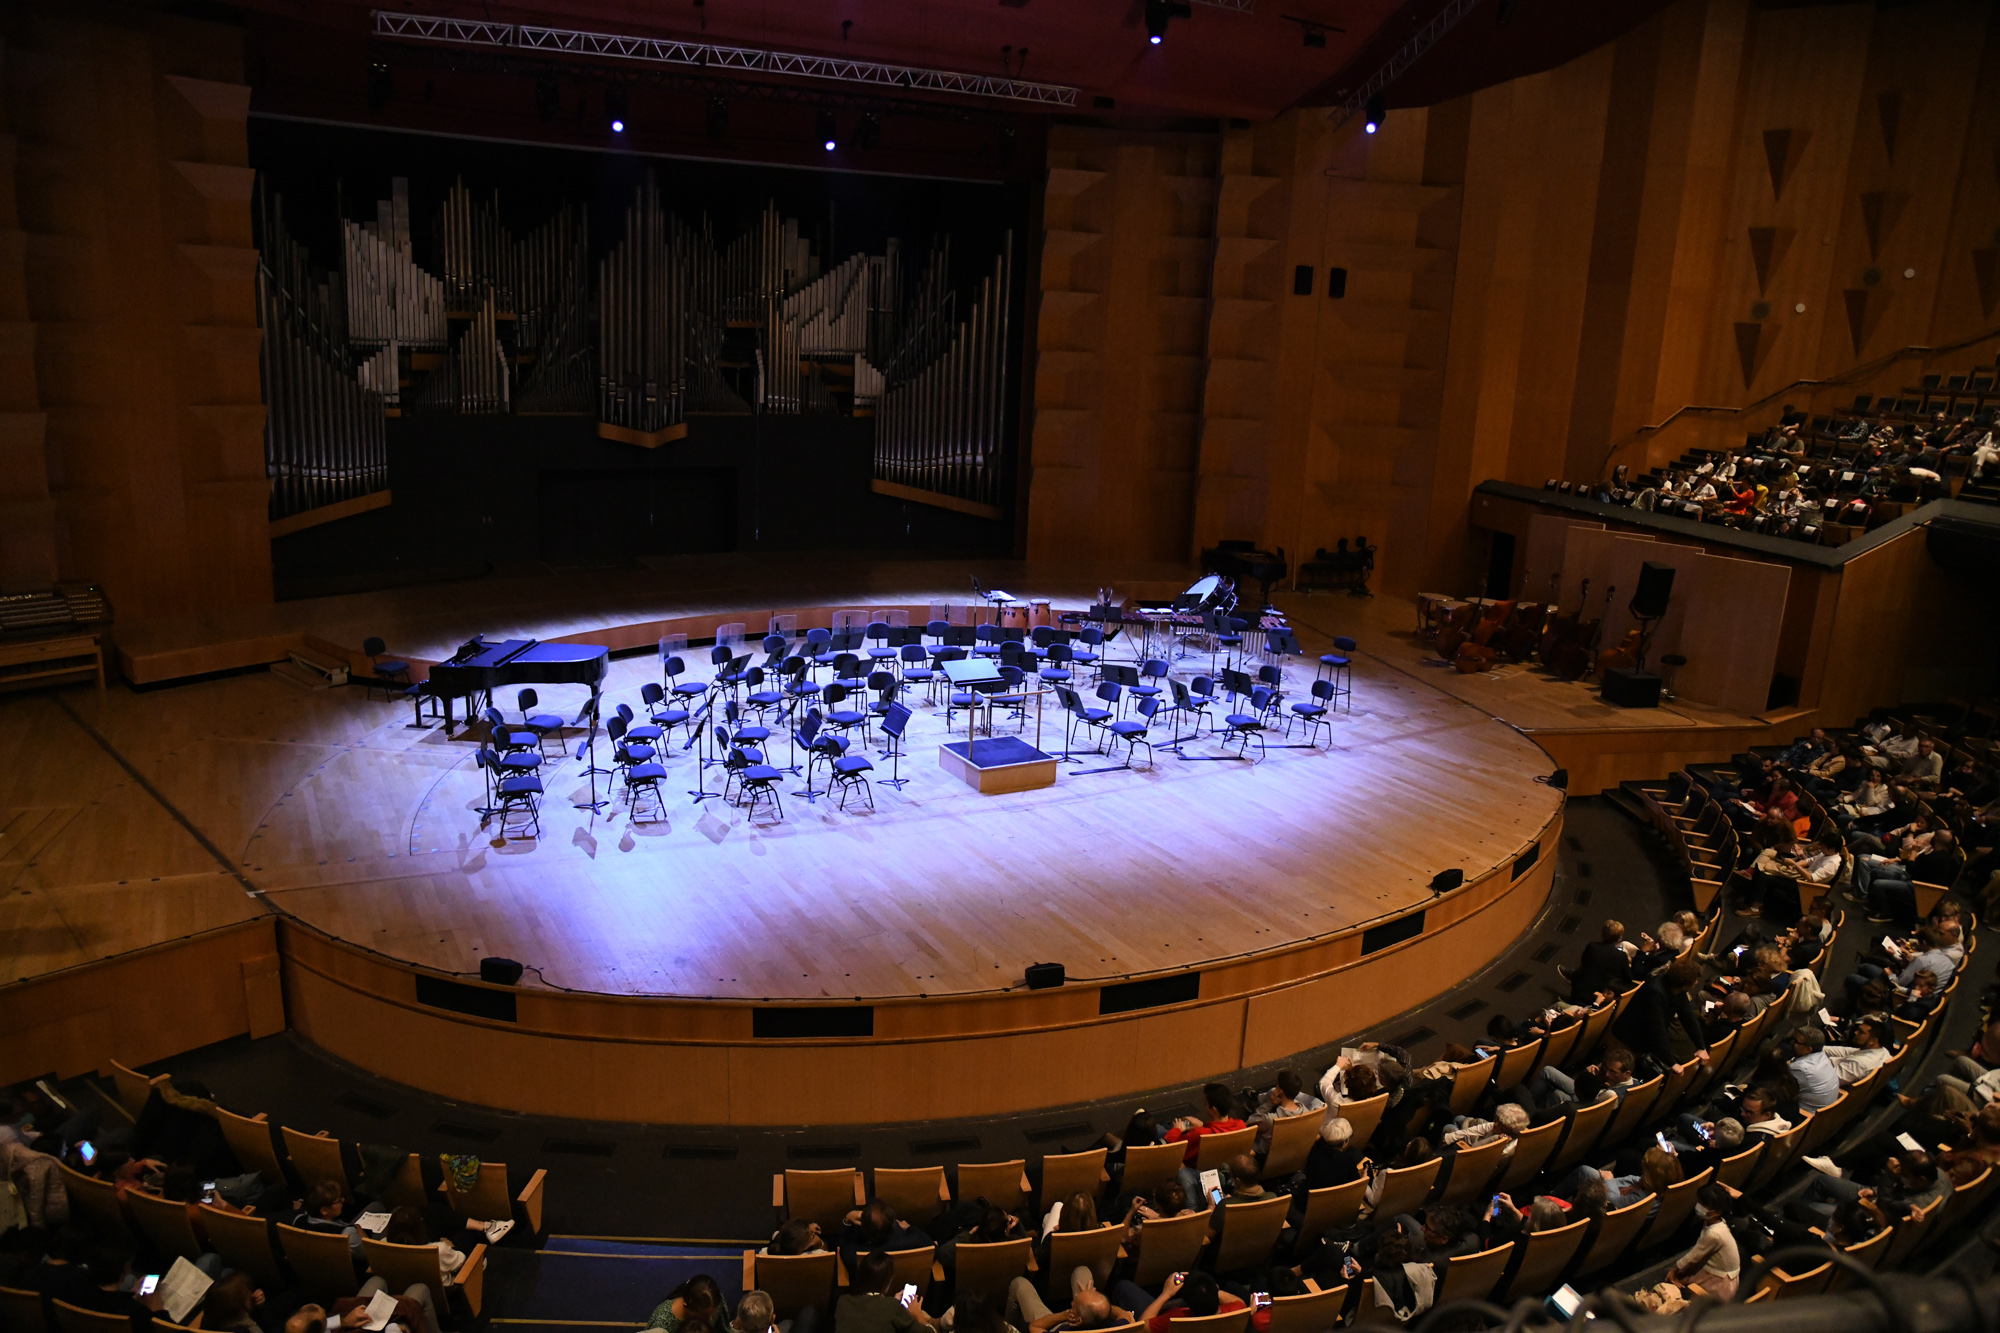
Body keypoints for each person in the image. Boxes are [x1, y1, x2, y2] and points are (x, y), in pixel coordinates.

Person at [1004, 1259, 1128, 1332]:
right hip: (1094, 1318)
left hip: (1057, 1325)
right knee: (1082, 1271)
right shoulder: (1118, 1326)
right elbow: (1124, 1314)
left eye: (1074, 1302)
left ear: (1076, 1319)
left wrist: (1064, 1315)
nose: (1072, 1301)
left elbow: (1034, 1327)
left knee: (1019, 1284)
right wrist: (1101, 1308)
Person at [1667, 1185, 1740, 1301]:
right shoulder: (1717, 1222)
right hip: (1715, 1269)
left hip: (1720, 1281)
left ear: (1716, 1212)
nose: (1698, 1206)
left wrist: (1673, 1269)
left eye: (1703, 1204)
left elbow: (1694, 1255)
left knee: (1675, 1286)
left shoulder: (1714, 1234)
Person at [77, 1245, 164, 1333]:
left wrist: (131, 1293)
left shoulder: (82, 1292)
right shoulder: (135, 1311)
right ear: (126, 1267)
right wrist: (157, 1311)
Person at [1558, 921, 1632, 1003]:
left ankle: (1572, 976)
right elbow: (1628, 978)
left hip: (1580, 992)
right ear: (1619, 937)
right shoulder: (1621, 956)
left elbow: (1584, 962)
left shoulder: (1592, 946)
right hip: (1602, 997)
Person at [649, 1275, 734, 1333]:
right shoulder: (662, 1322)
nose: (710, 1319)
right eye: (703, 1315)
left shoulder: (714, 1302)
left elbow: (724, 1330)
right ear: (686, 1306)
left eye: (712, 1313)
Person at [1787, 1027, 1840, 1113]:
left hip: (1804, 1115)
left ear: (1809, 1049)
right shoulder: (1823, 1056)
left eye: (1796, 1042)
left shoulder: (1800, 1069)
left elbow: (1784, 1091)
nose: (1792, 1043)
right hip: (1824, 1113)